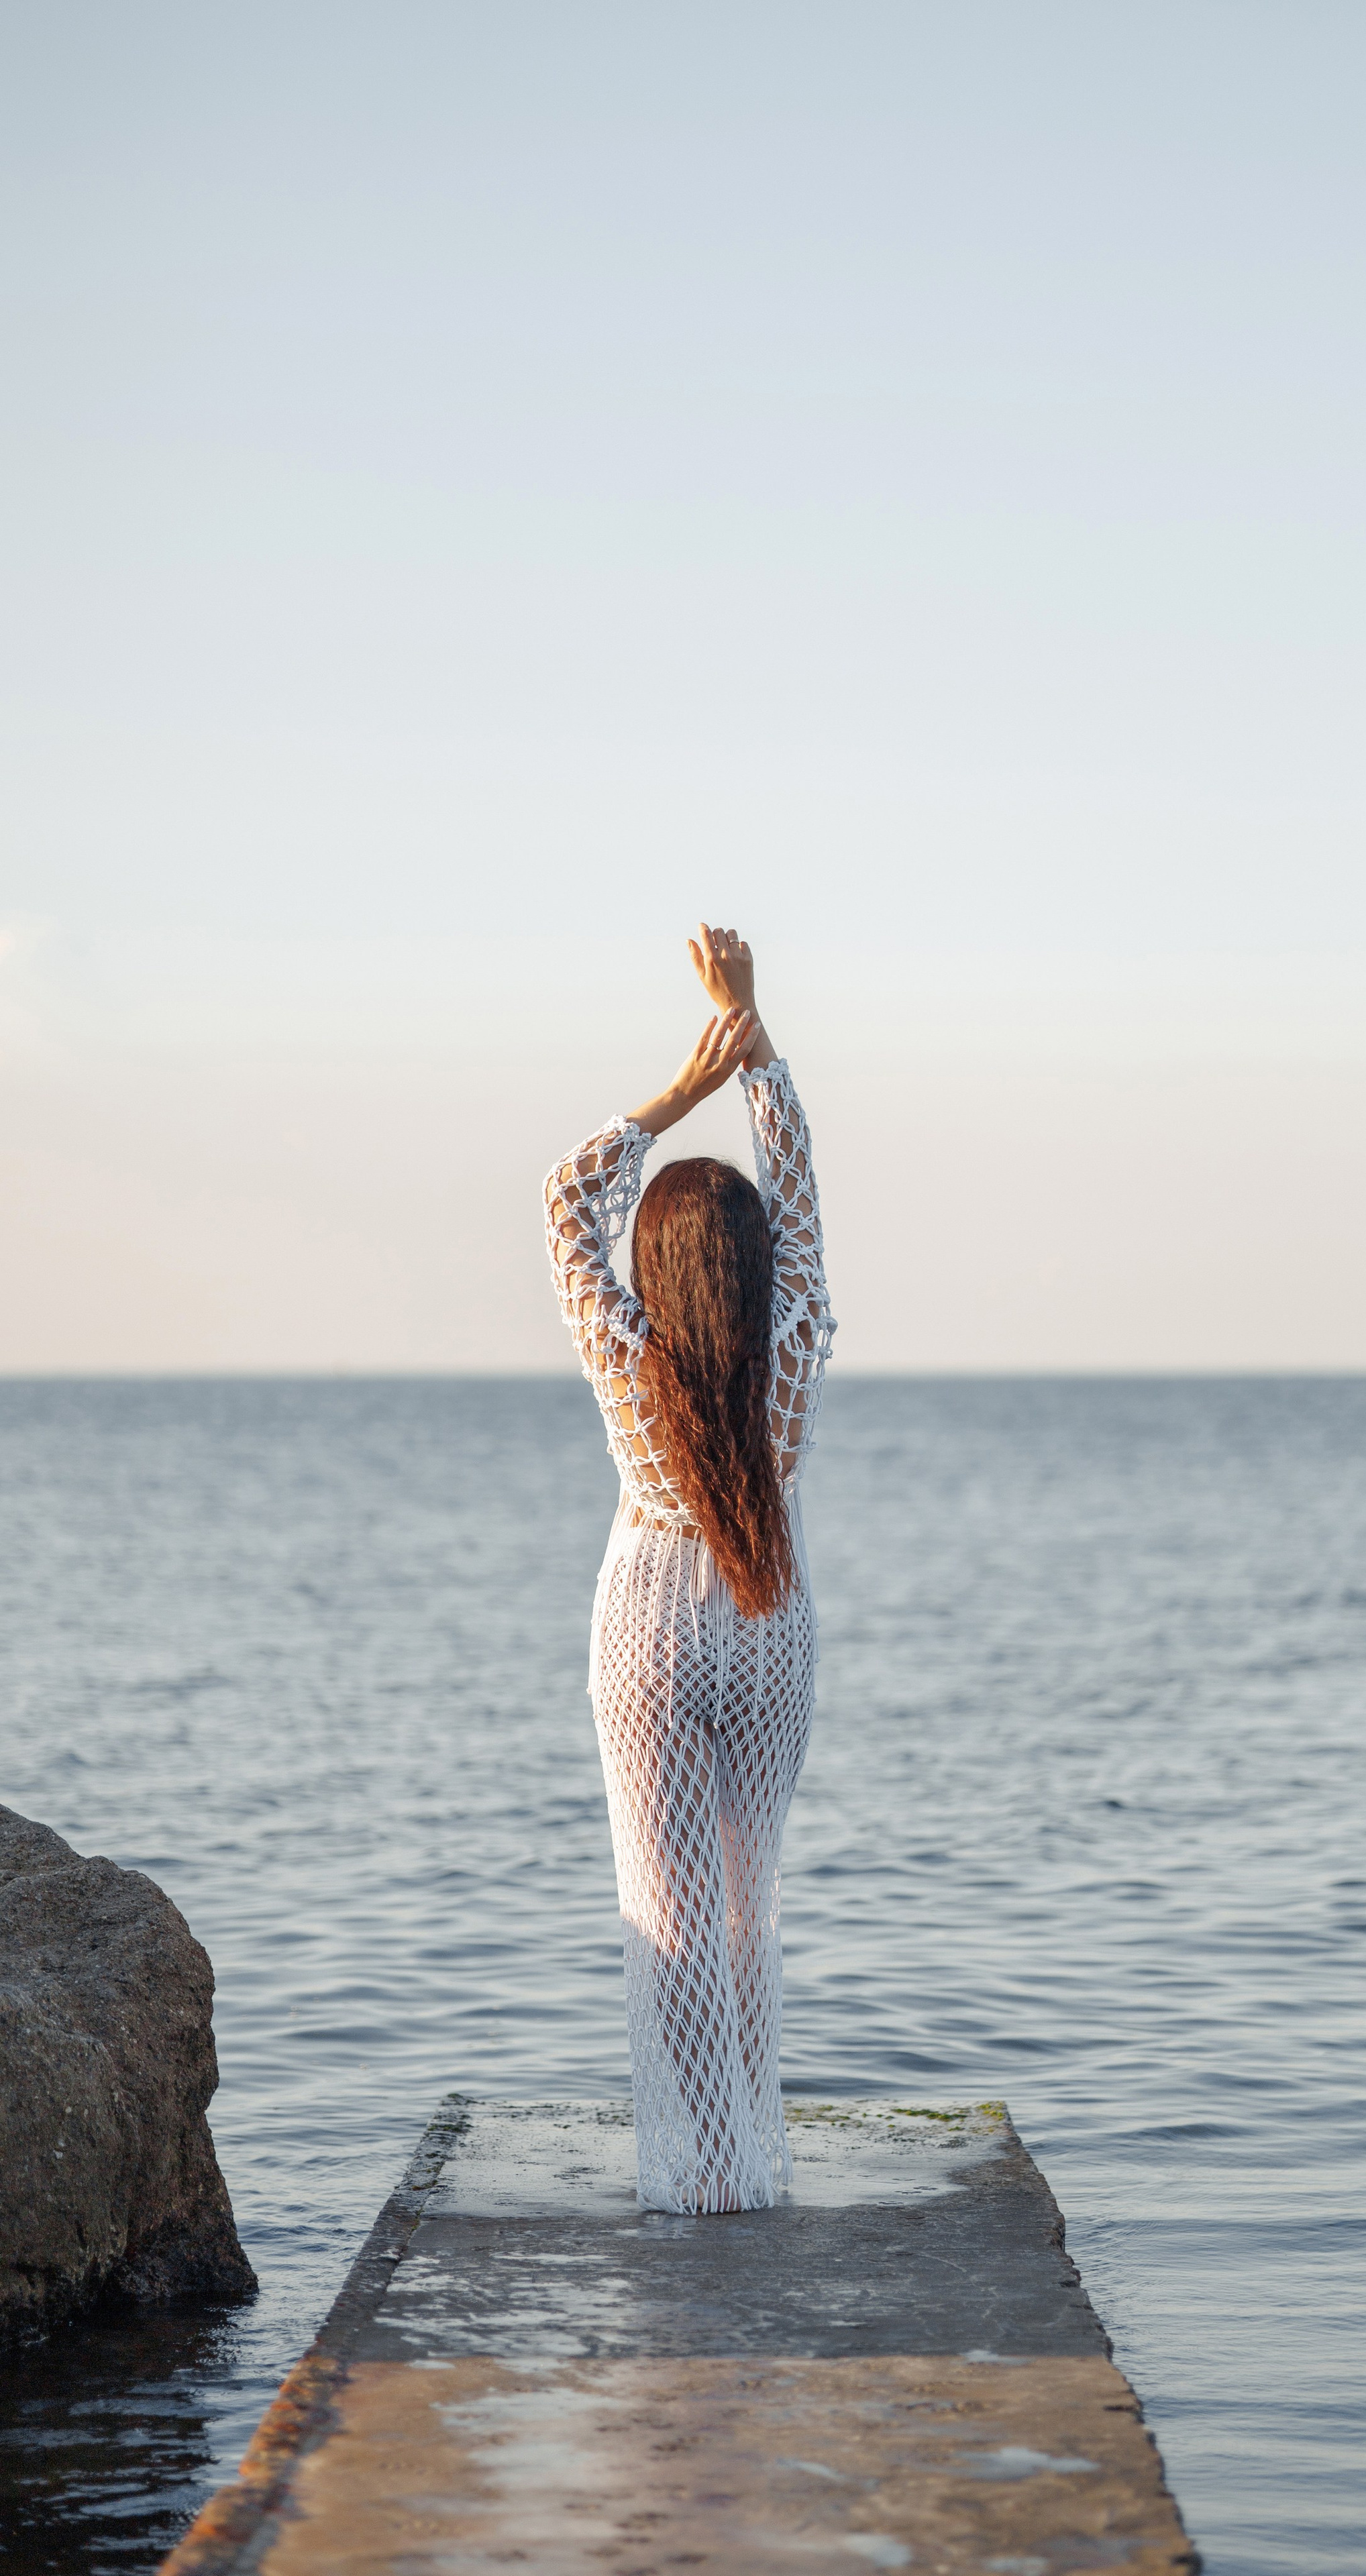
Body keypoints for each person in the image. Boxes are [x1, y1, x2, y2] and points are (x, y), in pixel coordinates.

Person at [543, 924, 833, 2212]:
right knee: (744, 1908)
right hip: (768, 1621)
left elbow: (566, 1200)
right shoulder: (796, 1343)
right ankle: (750, 2171)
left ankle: (699, 2176)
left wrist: (683, 1086)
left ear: (653, 1266)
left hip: (650, 1627)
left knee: (670, 1920)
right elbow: (800, 1192)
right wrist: (755, 1044)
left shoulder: (626, 1355)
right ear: (760, 1264)